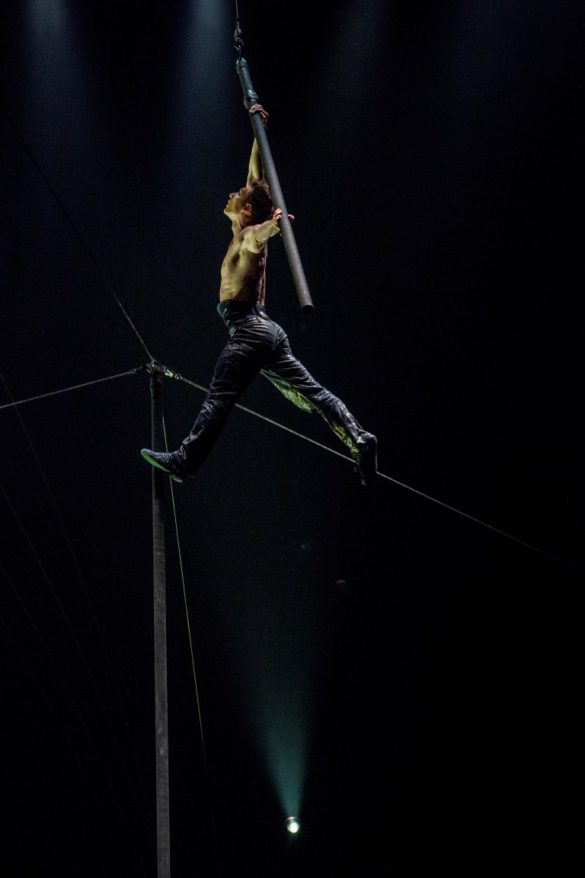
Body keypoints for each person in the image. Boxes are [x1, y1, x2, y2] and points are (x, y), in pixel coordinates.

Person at [141, 104, 377, 485]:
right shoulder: (243, 227)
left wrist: (274, 226)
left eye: (236, 195)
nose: (230, 195)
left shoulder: (247, 237)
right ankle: (360, 437)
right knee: (311, 393)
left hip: (249, 330)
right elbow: (257, 175)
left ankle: (185, 461)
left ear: (246, 209)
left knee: (220, 397)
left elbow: (258, 236)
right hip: (268, 333)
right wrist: (257, 130)